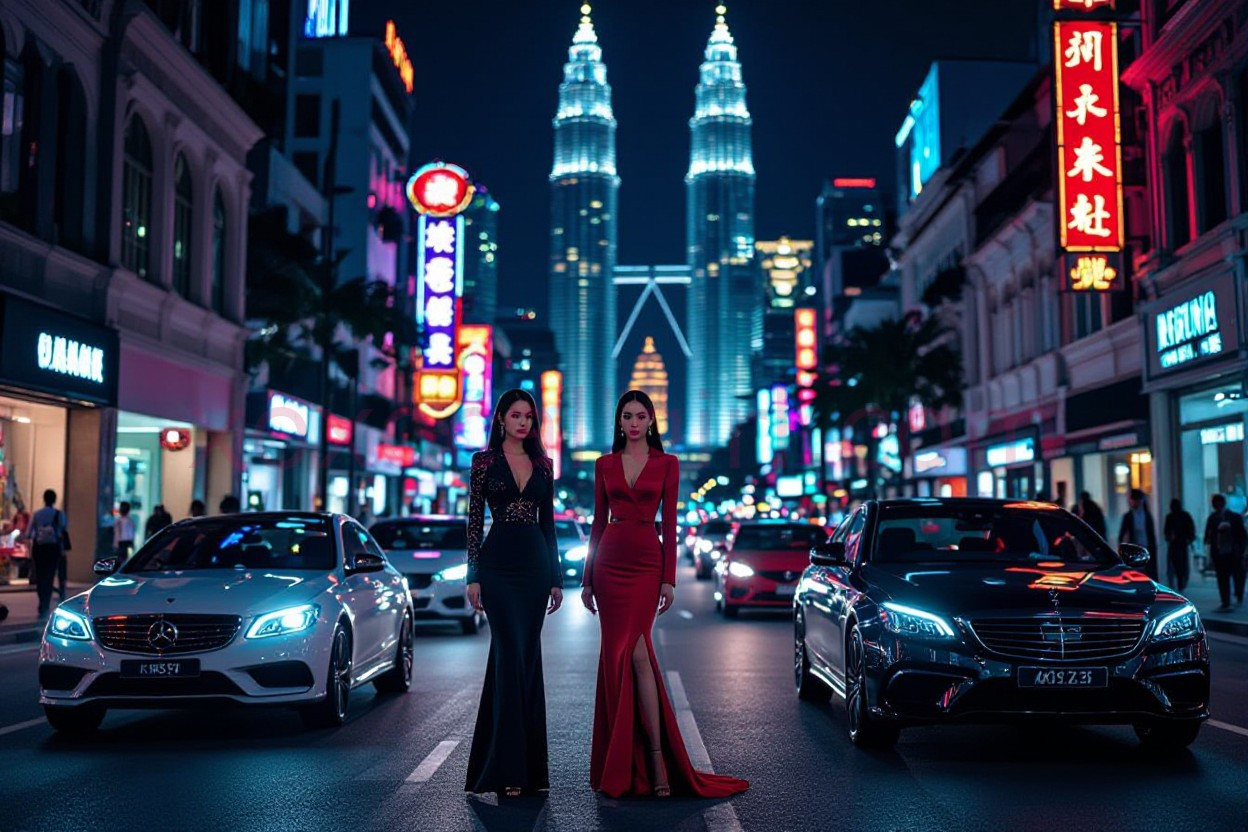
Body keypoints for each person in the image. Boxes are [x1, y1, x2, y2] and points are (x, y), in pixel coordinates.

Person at [581, 390, 748, 799]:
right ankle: (634, 760)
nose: (634, 423)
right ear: (619, 422)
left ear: (651, 421)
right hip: (609, 563)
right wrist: (588, 579)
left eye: (641, 416)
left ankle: (656, 758)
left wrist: (668, 579)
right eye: (627, 416)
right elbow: (598, 524)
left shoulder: (667, 464)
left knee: (638, 653)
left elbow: (669, 524)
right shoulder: (604, 464)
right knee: (618, 658)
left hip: (646, 563)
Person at [464, 389, 563, 797]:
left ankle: (530, 771)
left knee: (527, 657)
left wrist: (556, 578)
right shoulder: (483, 462)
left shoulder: (544, 464)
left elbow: (548, 524)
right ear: (501, 418)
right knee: (508, 657)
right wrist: (473, 576)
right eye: (516, 415)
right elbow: (473, 521)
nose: (524, 422)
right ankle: (507, 769)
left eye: (529, 416)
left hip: (535, 568)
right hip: (498, 568)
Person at [26, 489, 66, 618]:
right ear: (54, 500)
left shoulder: (37, 514)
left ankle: (41, 601)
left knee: (40, 575)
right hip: (53, 548)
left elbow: (28, 533)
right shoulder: (59, 514)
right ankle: (45, 604)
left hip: (39, 548)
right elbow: (63, 530)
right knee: (49, 576)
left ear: (44, 499)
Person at [1204, 494, 1247, 612]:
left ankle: (1237, 594)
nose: (1217, 506)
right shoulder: (1212, 518)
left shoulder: (1234, 517)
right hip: (1220, 552)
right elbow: (1208, 535)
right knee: (1222, 577)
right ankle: (1225, 600)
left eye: (1219, 503)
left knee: (1236, 575)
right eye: (1215, 504)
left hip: (1233, 552)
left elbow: (1242, 535)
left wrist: (1242, 550)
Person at [1118, 489, 1159, 579]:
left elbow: (1151, 534)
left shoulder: (1147, 516)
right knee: (1136, 572)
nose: (1136, 502)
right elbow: (1121, 534)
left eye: (1138, 500)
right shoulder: (1128, 516)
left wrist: (1153, 547)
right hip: (1134, 548)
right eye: (1134, 500)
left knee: (1148, 571)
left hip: (1147, 547)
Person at [1163, 498, 1196, 592]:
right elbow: (1166, 531)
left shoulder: (1174, 516)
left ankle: (1179, 582)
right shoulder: (1177, 516)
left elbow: (1190, 529)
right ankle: (1179, 582)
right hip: (1178, 544)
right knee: (1179, 565)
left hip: (1180, 544)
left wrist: (1189, 538)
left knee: (1179, 565)